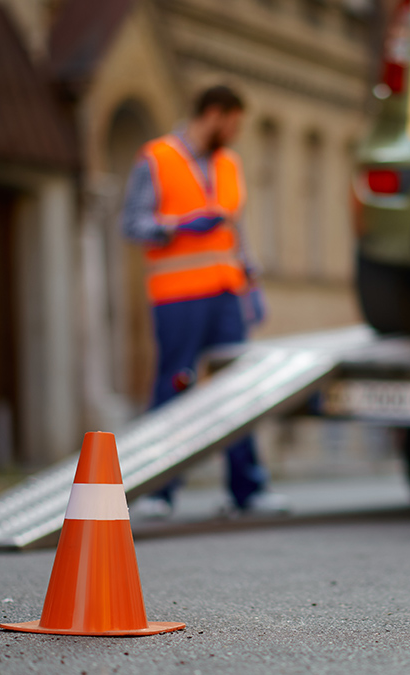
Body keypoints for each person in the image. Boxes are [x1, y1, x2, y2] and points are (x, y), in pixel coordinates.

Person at [122, 84, 284, 519]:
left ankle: (246, 490)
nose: (234, 133)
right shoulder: (156, 158)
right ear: (214, 114)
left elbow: (236, 231)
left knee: (237, 390)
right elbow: (132, 223)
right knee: (175, 386)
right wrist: (176, 225)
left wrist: (251, 283)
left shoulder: (229, 164)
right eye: (232, 123)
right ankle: (157, 491)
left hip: (226, 294)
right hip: (177, 297)